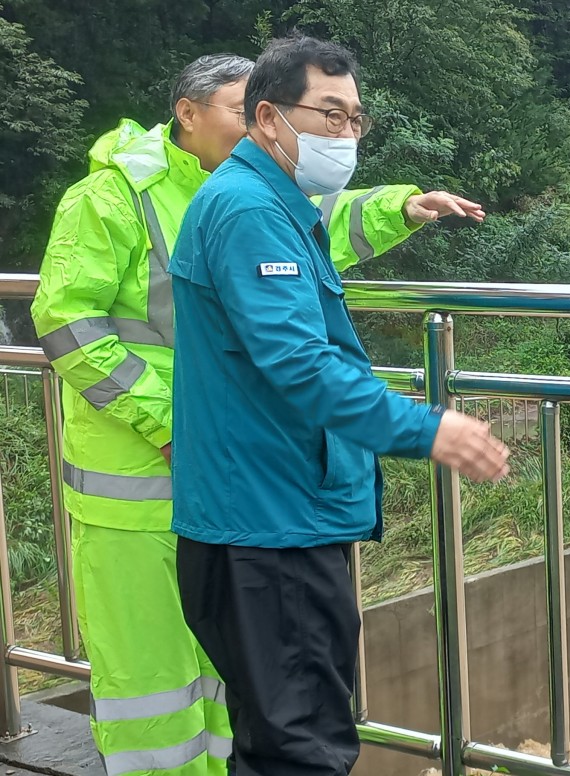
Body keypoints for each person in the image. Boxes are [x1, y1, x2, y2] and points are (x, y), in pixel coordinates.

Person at [31, 52, 486, 776]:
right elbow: (65, 323)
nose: (254, 125)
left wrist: (400, 204)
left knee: (246, 694)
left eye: (352, 120)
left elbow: (318, 229)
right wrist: (165, 421)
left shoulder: (237, 192)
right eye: (245, 111)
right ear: (189, 111)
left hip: (227, 475)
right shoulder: (118, 197)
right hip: (139, 480)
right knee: (157, 682)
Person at [169, 34, 509, 776]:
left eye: (355, 118)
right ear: (267, 116)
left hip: (267, 516)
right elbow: (300, 362)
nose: (345, 133)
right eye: (328, 113)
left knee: (277, 739)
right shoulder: (249, 209)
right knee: (303, 749)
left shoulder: (276, 201)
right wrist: (431, 428)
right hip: (268, 525)